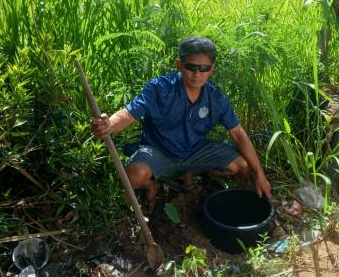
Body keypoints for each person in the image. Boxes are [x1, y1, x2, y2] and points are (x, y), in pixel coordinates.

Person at [91, 37, 271, 213]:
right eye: (191, 68)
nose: (197, 74)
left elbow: (238, 133)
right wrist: (109, 124)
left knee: (241, 166)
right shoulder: (160, 89)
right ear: (180, 65)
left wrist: (260, 174)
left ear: (211, 70)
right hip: (159, 151)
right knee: (132, 177)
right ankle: (152, 184)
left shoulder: (216, 97)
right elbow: (128, 114)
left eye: (203, 69)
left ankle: (190, 171)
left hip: (195, 151)